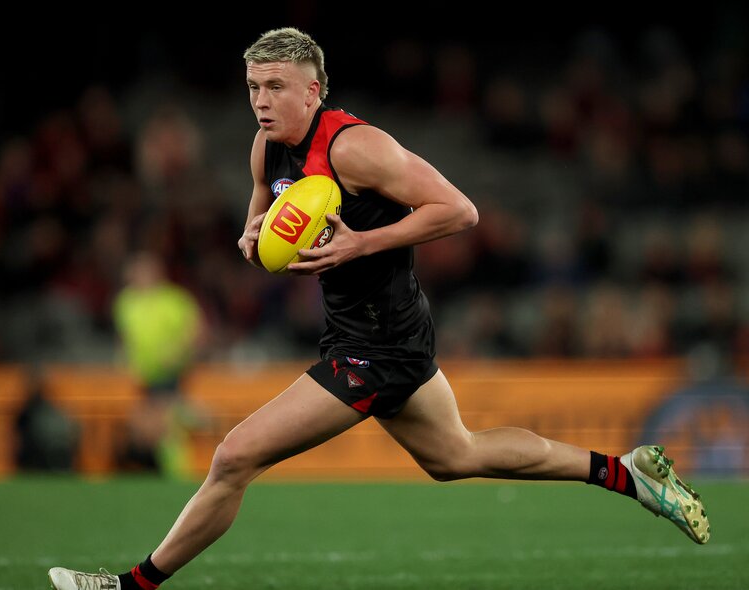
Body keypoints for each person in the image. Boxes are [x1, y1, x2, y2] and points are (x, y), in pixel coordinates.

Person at [49, 27, 710, 590]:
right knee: (458, 455)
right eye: (253, 87)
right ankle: (628, 475)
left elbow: (459, 209)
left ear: (314, 90)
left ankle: (128, 586)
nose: (260, 101)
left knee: (234, 455)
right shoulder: (265, 145)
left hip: (380, 344)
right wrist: (252, 236)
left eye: (275, 87)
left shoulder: (356, 148)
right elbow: (261, 220)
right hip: (361, 331)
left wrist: (364, 241)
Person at [112, 250, 207, 477]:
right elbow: (125, 337)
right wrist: (125, 360)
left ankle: (176, 475)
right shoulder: (125, 302)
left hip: (170, 374)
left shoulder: (174, 299)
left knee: (165, 426)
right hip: (142, 378)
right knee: (151, 428)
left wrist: (177, 353)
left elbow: (197, 332)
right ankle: (191, 416)